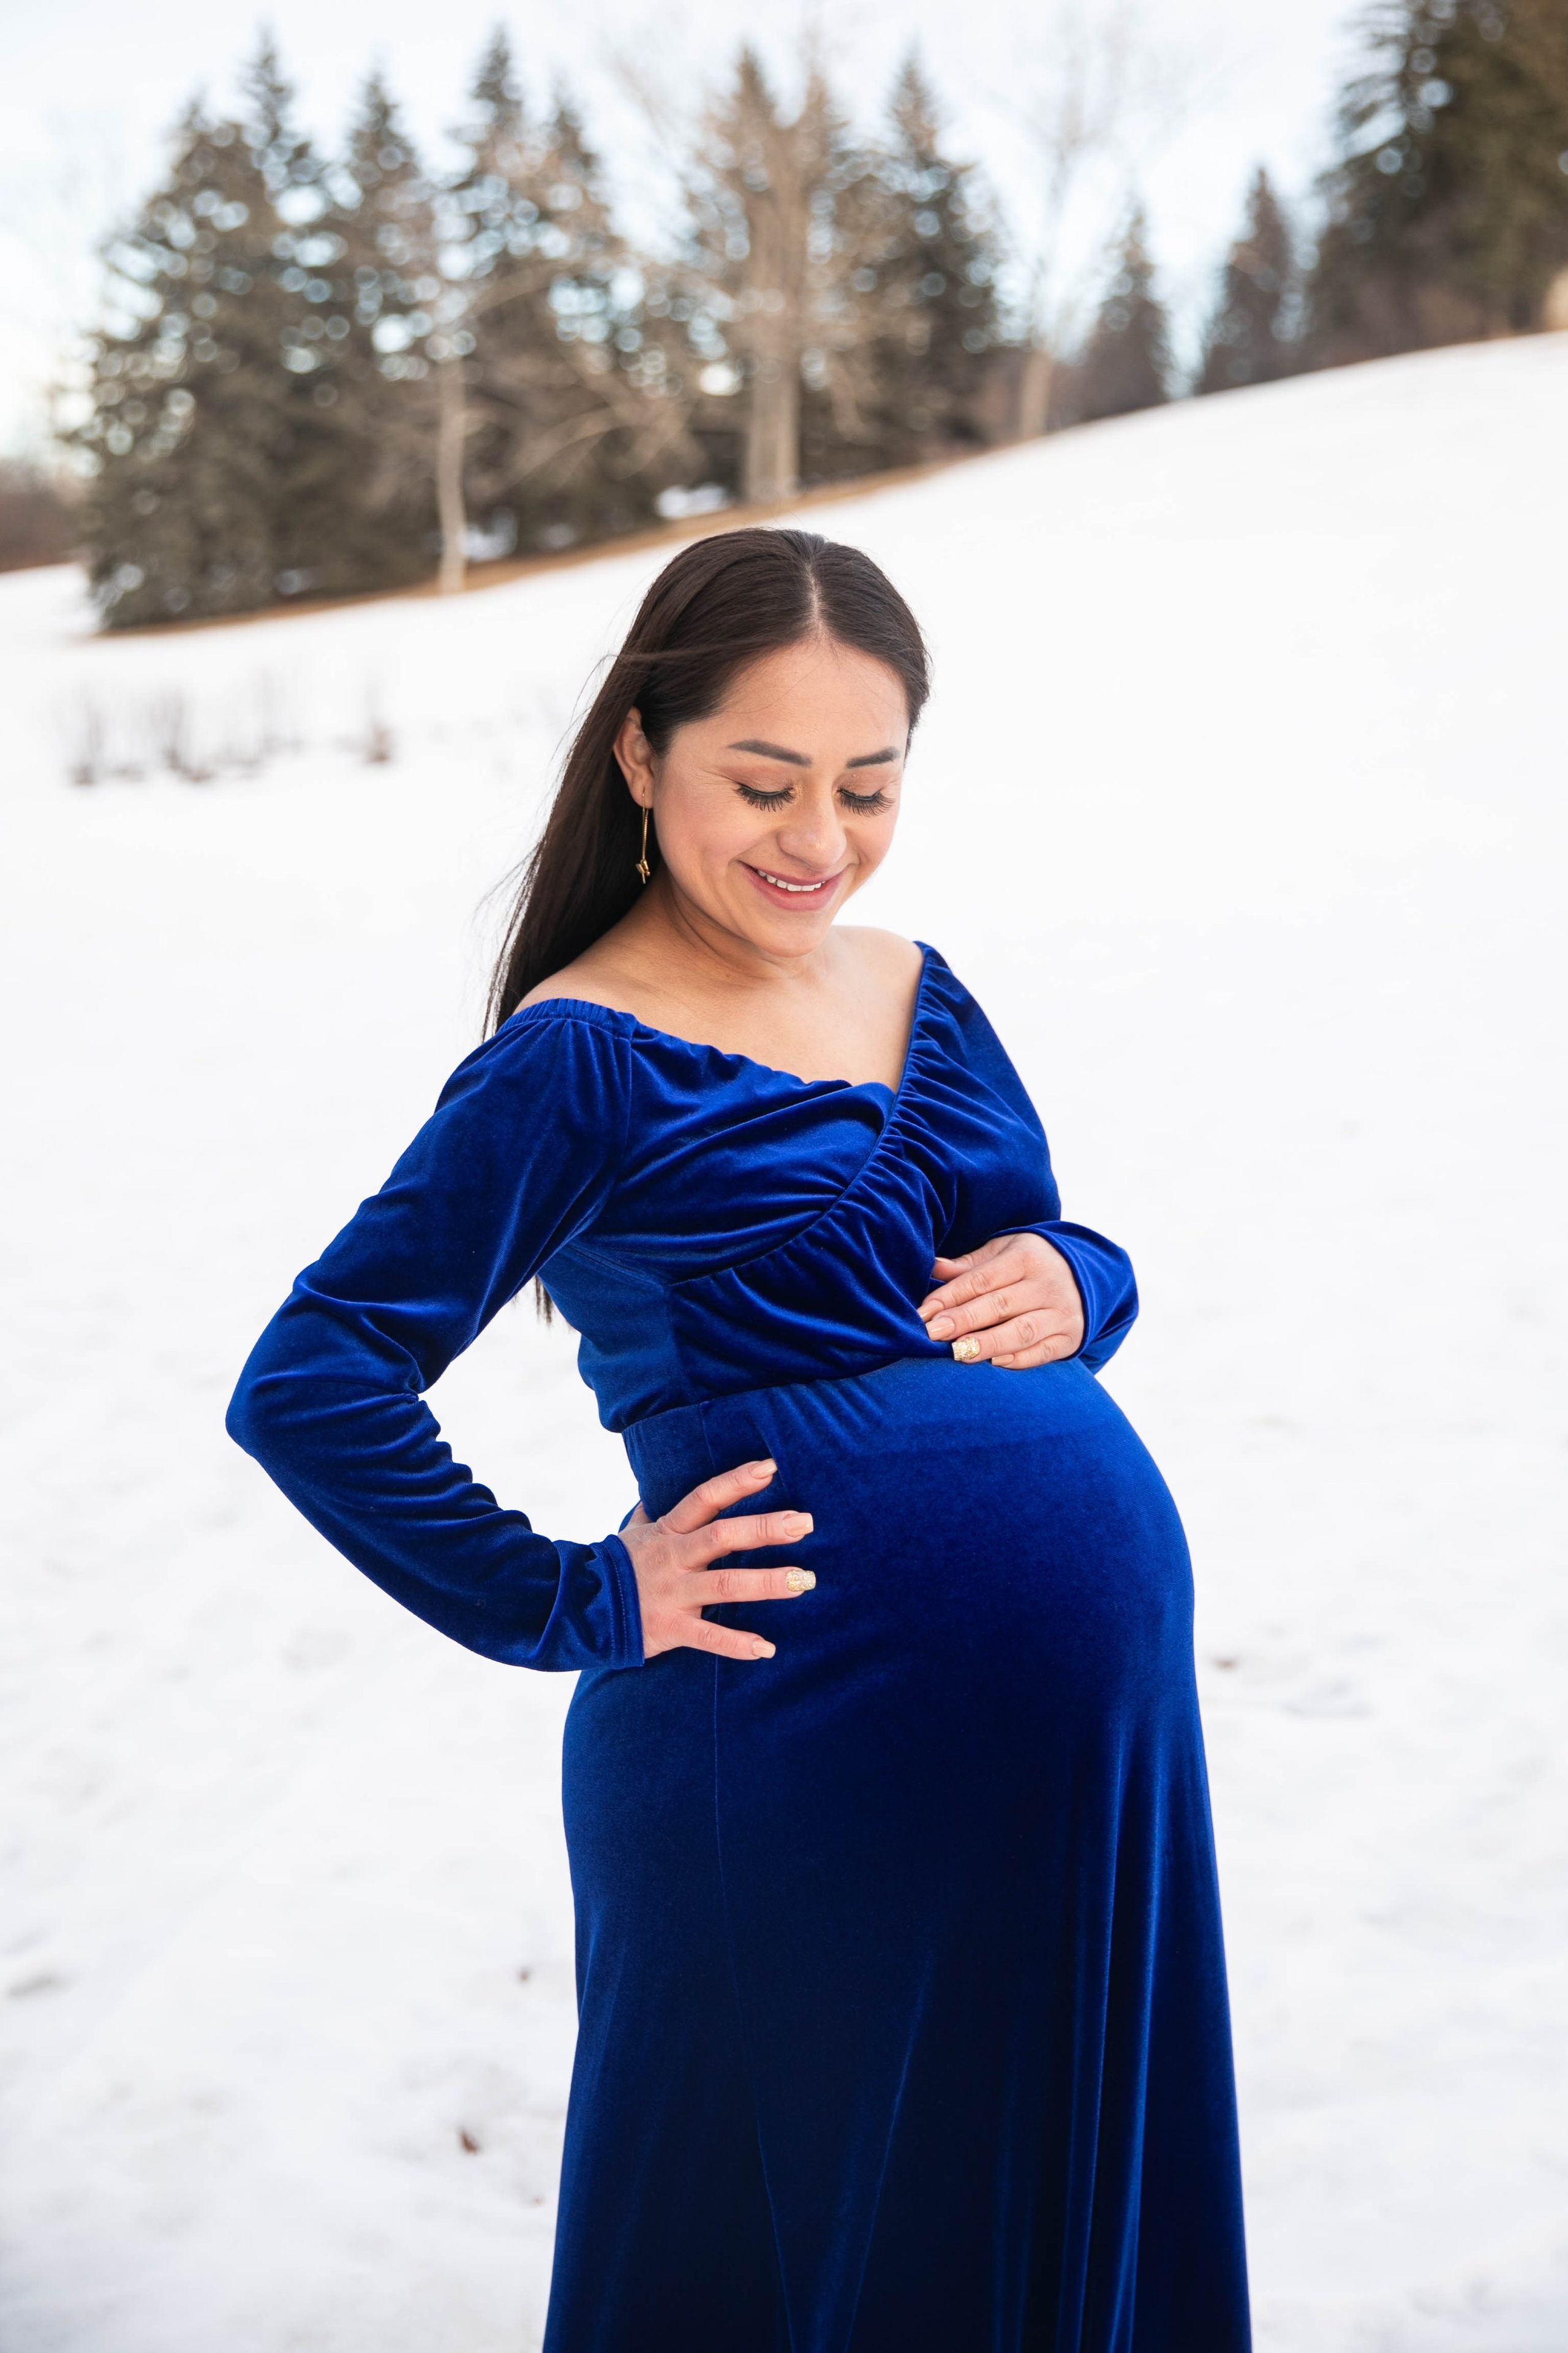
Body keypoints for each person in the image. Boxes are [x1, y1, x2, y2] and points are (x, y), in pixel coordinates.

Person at [228, 526, 1250, 2350]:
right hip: (788, 1761)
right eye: (764, 781)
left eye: (869, 785)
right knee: (777, 2262)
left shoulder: (921, 990)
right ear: (641, 752)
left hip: (1084, 1763)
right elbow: (311, 1379)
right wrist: (578, 1600)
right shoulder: (576, 1059)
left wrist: (1088, 1279)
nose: (820, 839)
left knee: (1032, 2233)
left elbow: (1018, 1255)